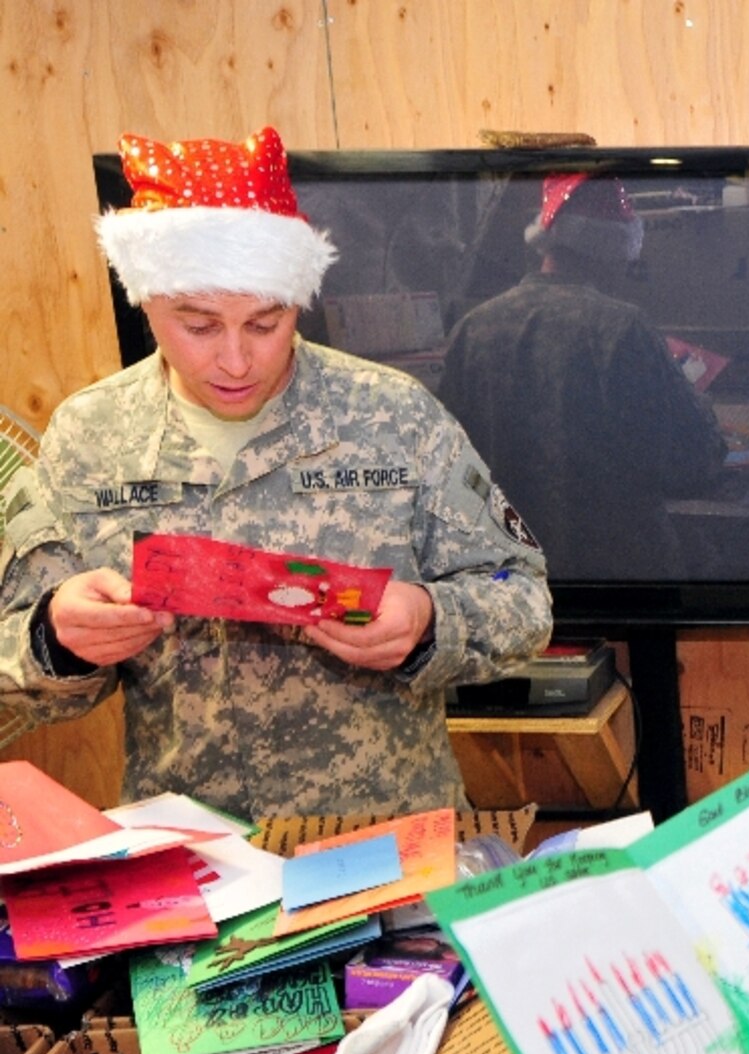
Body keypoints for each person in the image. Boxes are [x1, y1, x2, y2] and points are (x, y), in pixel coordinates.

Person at [0, 127, 552, 820]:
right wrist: (57, 635)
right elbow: (14, 653)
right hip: (196, 856)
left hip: (385, 839)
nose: (235, 360)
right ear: (147, 301)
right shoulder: (91, 437)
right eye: (198, 326)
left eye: (266, 323)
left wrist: (428, 621)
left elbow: (521, 595)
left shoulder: (393, 415)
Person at [436, 171, 728, 581]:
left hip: (509, 581)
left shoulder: (473, 328)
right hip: (620, 579)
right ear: (613, 251)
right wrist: (699, 404)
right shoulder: (621, 328)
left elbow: (449, 472)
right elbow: (694, 462)